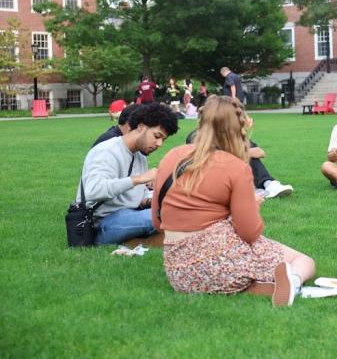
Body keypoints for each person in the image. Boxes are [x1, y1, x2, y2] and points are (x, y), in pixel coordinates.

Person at [152, 96, 314, 306]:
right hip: (222, 262)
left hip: (179, 272)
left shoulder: (171, 156)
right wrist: (252, 205)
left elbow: (157, 222)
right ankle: (293, 282)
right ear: (238, 127)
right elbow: (249, 232)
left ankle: (255, 286)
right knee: (304, 261)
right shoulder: (235, 166)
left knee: (237, 266)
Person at [75, 103, 178, 245]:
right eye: (157, 136)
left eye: (163, 140)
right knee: (162, 217)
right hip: (100, 224)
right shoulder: (108, 151)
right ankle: (147, 240)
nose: (159, 143)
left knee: (172, 210)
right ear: (141, 127)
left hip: (127, 216)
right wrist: (139, 179)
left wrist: (159, 197)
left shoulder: (139, 156)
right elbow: (93, 191)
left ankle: (139, 241)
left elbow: (136, 198)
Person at [185, 119, 294, 199]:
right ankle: (251, 188)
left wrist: (240, 151)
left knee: (246, 154)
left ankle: (269, 184)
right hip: (211, 179)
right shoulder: (197, 135)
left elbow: (260, 152)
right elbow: (209, 156)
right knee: (241, 154)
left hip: (232, 176)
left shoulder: (232, 137)